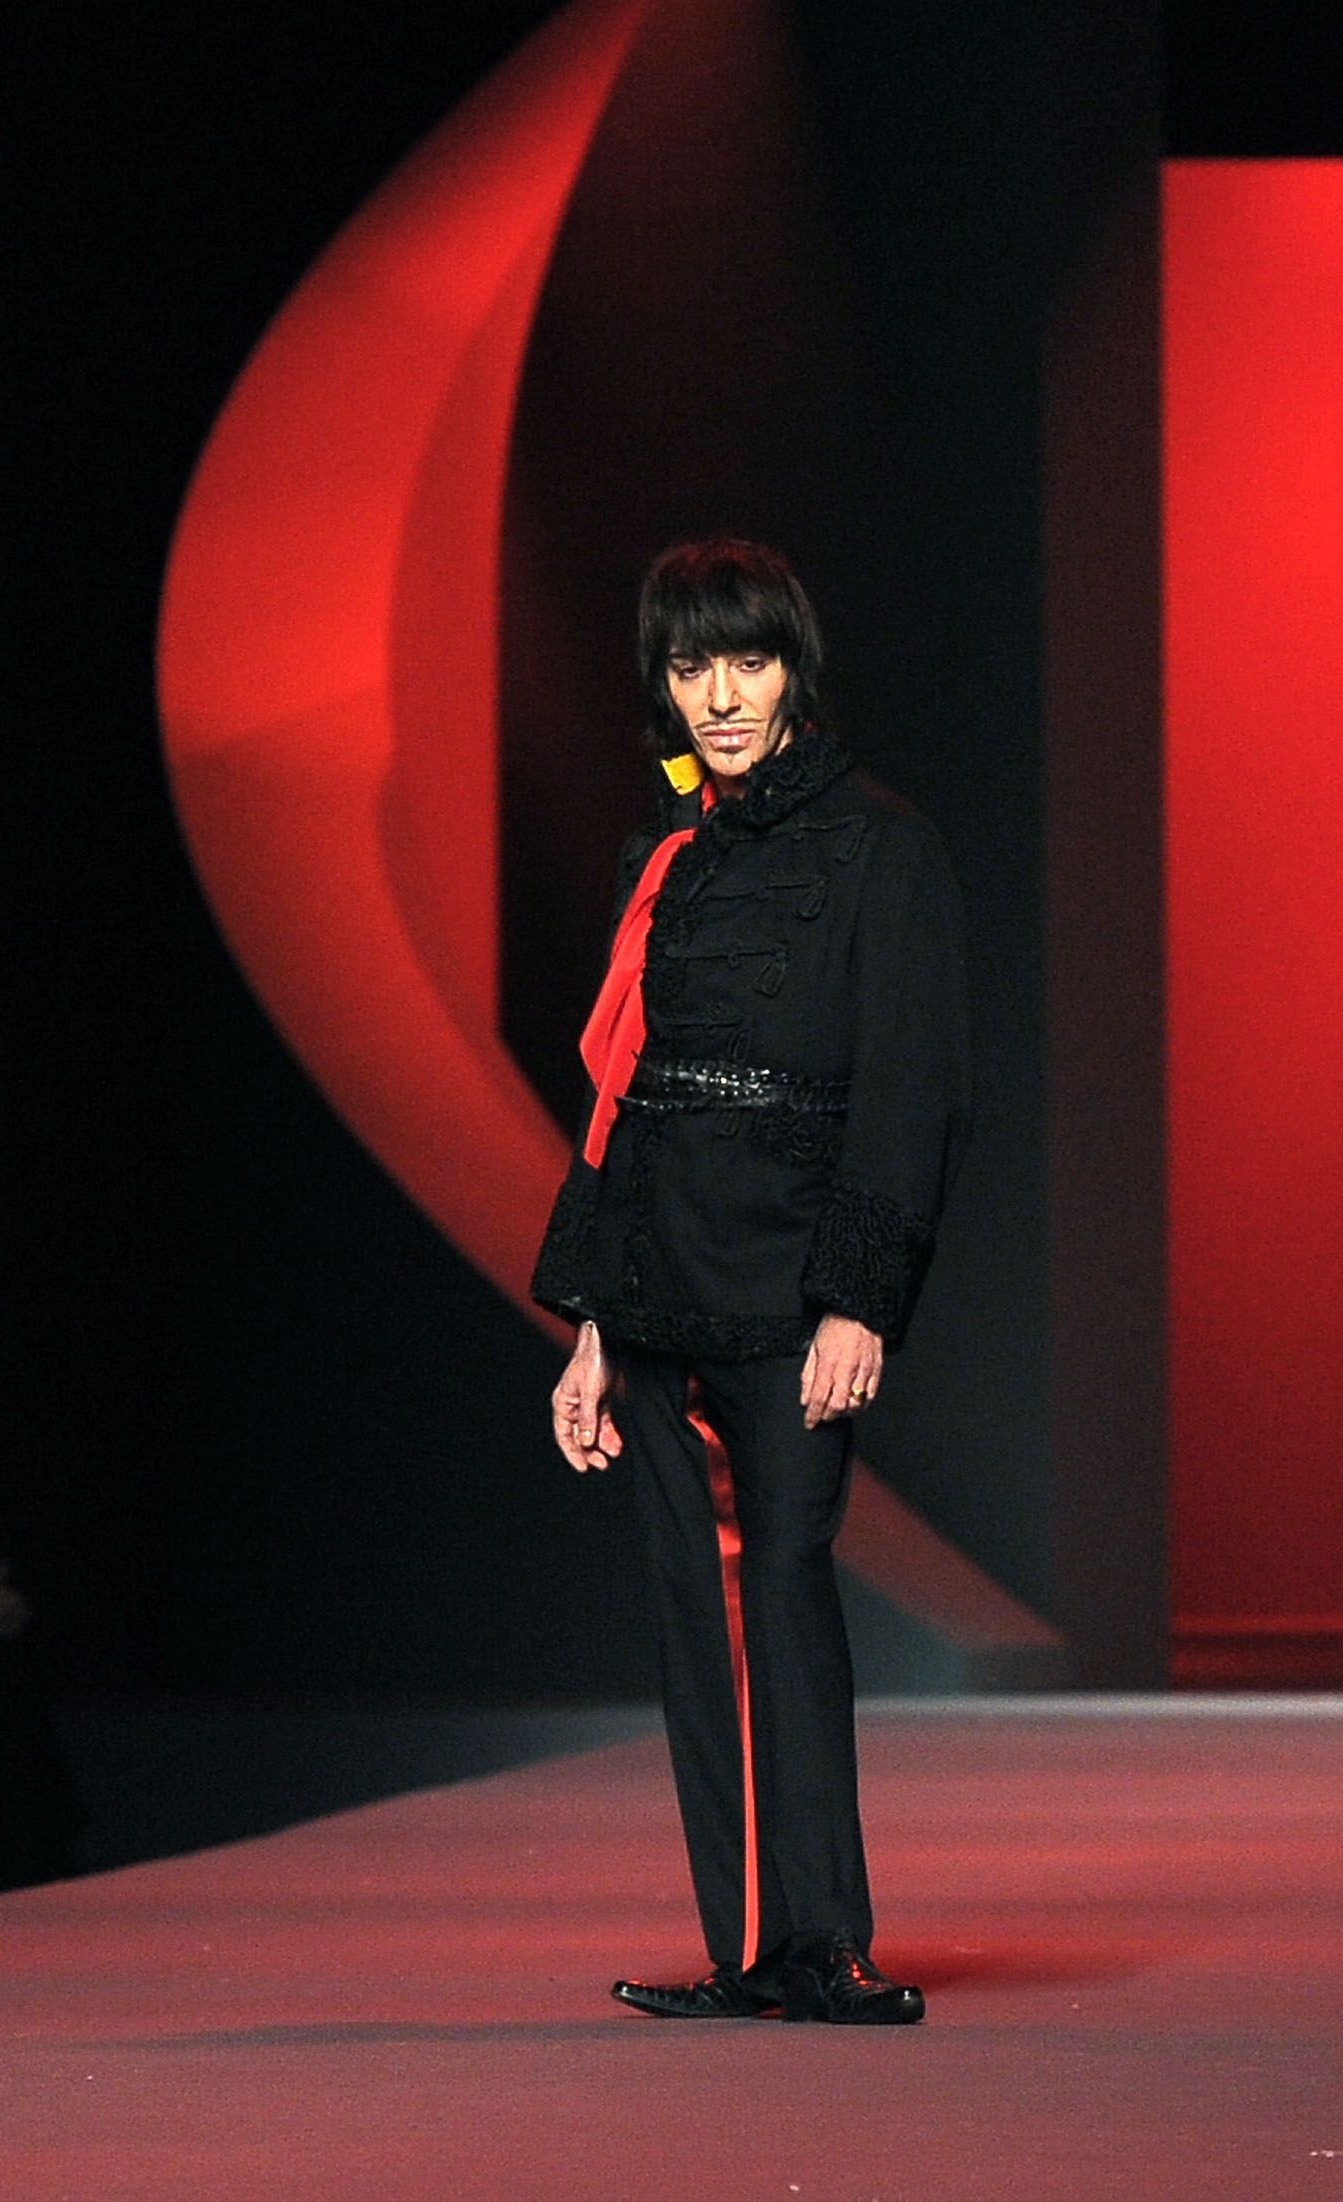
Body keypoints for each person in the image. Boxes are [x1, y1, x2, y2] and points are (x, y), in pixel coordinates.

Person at [532, 539, 970, 2025]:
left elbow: (913, 1093)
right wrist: (589, 1325)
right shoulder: (658, 858)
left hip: (791, 1281)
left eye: (746, 661)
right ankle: (740, 1948)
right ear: (661, 681)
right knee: (691, 1609)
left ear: (793, 668)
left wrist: (861, 1297)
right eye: (688, 665)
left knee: (785, 1589)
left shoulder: (883, 849)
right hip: (653, 1278)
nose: (718, 695)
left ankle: (823, 1941)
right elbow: (617, 1094)